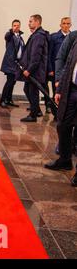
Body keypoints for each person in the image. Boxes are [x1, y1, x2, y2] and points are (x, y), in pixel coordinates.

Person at [45, 37, 77, 187]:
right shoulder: (76, 39)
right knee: (62, 124)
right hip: (71, 90)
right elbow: (69, 66)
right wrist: (59, 89)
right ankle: (65, 159)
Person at [19, 14, 49, 123]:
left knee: (32, 92)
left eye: (31, 21)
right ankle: (36, 110)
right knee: (27, 89)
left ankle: (33, 115)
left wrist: (29, 69)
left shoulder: (39, 35)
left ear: (37, 22)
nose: (29, 23)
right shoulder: (36, 34)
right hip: (34, 70)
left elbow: (36, 55)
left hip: (35, 71)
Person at [46, 17, 72, 113]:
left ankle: (62, 112)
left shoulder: (73, 37)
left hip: (69, 71)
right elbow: (49, 54)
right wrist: (50, 69)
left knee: (65, 93)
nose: (66, 25)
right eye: (64, 23)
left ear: (70, 25)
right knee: (56, 91)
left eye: (68, 23)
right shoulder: (54, 37)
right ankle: (55, 111)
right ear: (60, 25)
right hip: (56, 70)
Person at [0, 19, 25, 108]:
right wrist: (11, 31)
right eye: (14, 25)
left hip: (16, 64)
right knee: (9, 82)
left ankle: (8, 99)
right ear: (12, 26)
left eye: (18, 25)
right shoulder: (10, 35)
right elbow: (7, 36)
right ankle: (2, 100)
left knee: (13, 82)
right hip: (10, 63)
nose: (16, 27)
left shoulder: (20, 37)